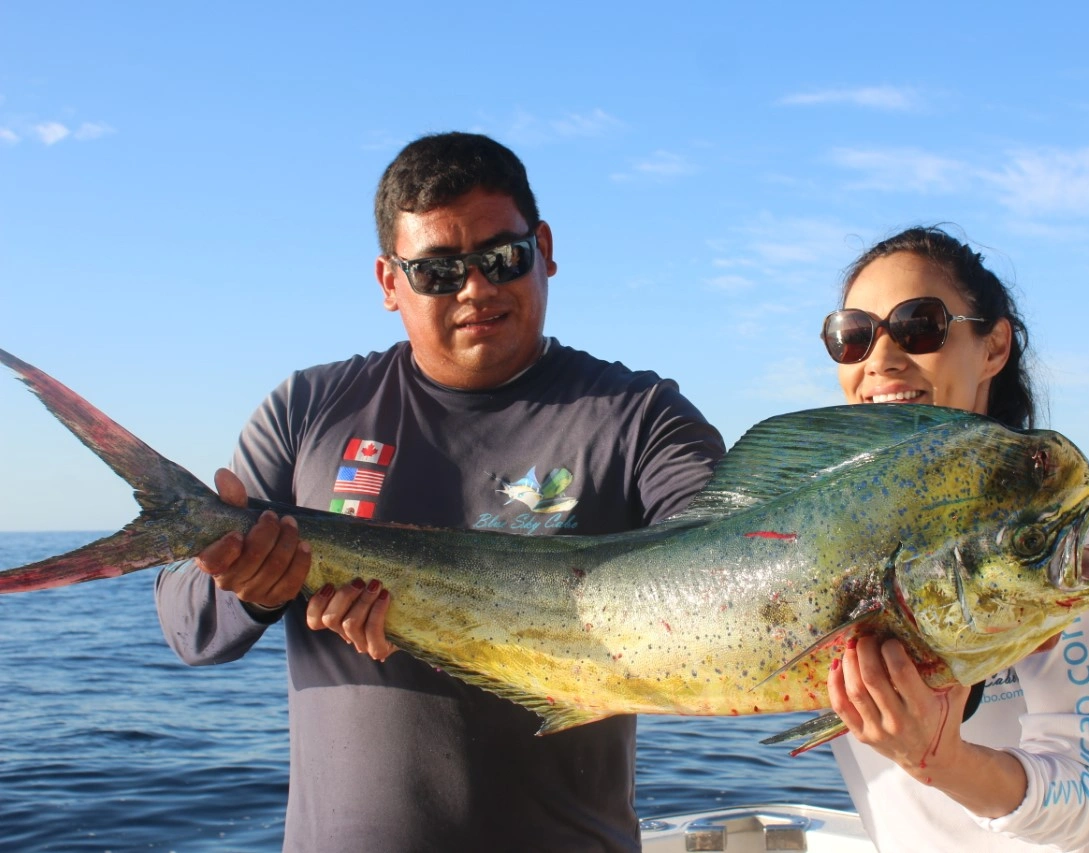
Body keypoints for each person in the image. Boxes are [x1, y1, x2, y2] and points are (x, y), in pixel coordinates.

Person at [154, 132, 725, 852]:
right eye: (437, 271)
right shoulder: (307, 409)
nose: (477, 288)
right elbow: (188, 626)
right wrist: (257, 585)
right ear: (389, 283)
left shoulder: (641, 415)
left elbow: (725, 562)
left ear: (544, 248)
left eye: (501, 258)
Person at [820, 226, 1089, 851]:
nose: (882, 358)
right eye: (854, 335)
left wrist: (941, 760)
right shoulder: (827, 535)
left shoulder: (1049, 530)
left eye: (919, 325)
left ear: (994, 346)